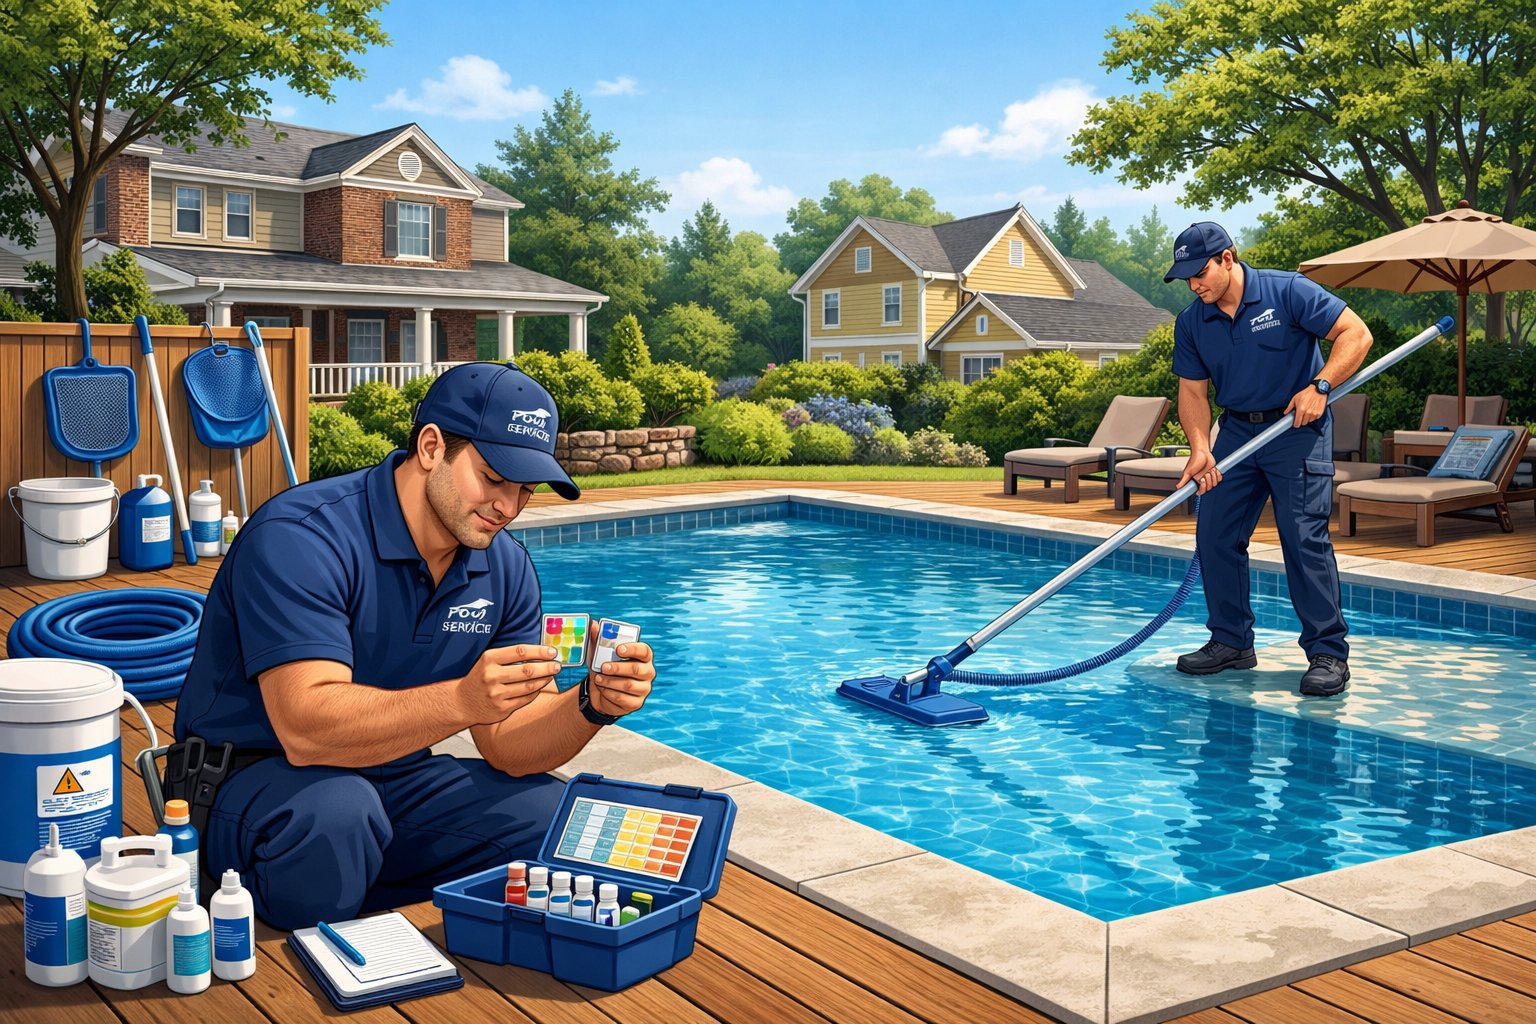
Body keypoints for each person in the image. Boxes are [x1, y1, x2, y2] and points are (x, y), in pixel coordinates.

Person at [172, 362, 653, 928]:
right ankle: (295, 948)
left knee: (552, 815)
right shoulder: (301, 535)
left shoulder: (505, 566)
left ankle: (389, 918)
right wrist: (463, 700)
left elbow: (508, 744)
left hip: (394, 778)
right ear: (431, 447)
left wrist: (590, 704)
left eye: (525, 489)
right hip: (253, 781)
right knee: (340, 815)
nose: (508, 506)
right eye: (494, 477)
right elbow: (305, 729)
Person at [1164, 222, 1373, 697]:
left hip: (1295, 430)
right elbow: (1192, 392)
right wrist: (1200, 446)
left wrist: (1321, 386)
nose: (1194, 285)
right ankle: (1231, 642)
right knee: (1214, 533)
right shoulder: (1192, 321)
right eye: (1186, 278)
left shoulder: (1288, 291)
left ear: (1228, 258)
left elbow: (1356, 334)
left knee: (1302, 538)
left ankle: (1327, 653)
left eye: (1200, 273)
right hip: (1236, 433)